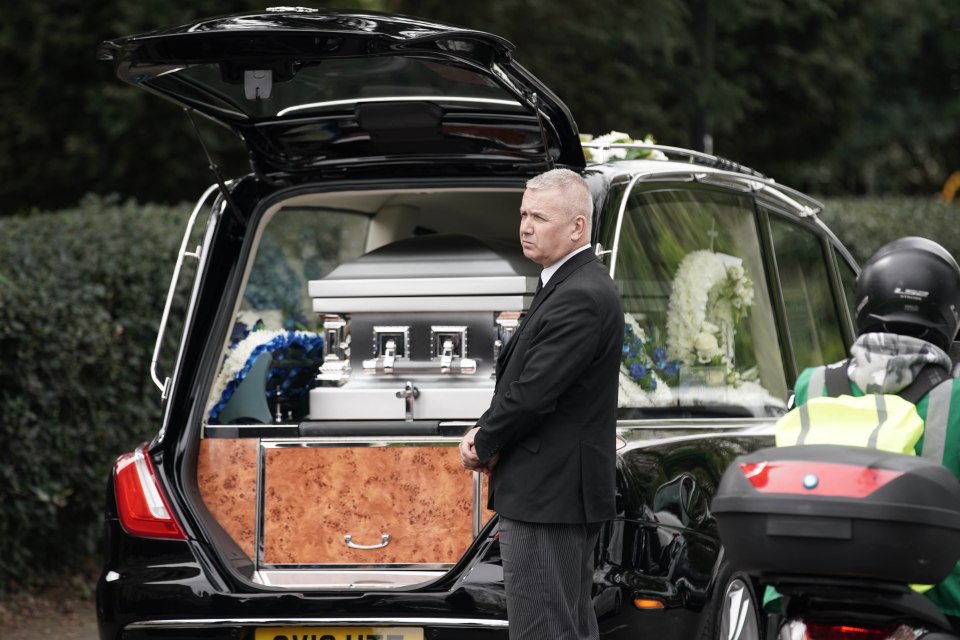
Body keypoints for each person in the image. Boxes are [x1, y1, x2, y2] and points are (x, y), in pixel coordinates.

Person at [459, 168, 623, 640]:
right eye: (524, 215)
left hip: (548, 497)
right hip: (556, 493)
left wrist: (483, 441)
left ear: (577, 227)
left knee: (542, 631)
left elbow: (533, 394)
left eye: (540, 217)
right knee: (567, 629)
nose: (526, 226)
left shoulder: (582, 294)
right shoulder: (571, 285)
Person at [785, 236, 960, 630]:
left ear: (866, 300)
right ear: (949, 311)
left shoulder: (810, 384)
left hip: (812, 591)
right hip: (939, 604)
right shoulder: (957, 395)